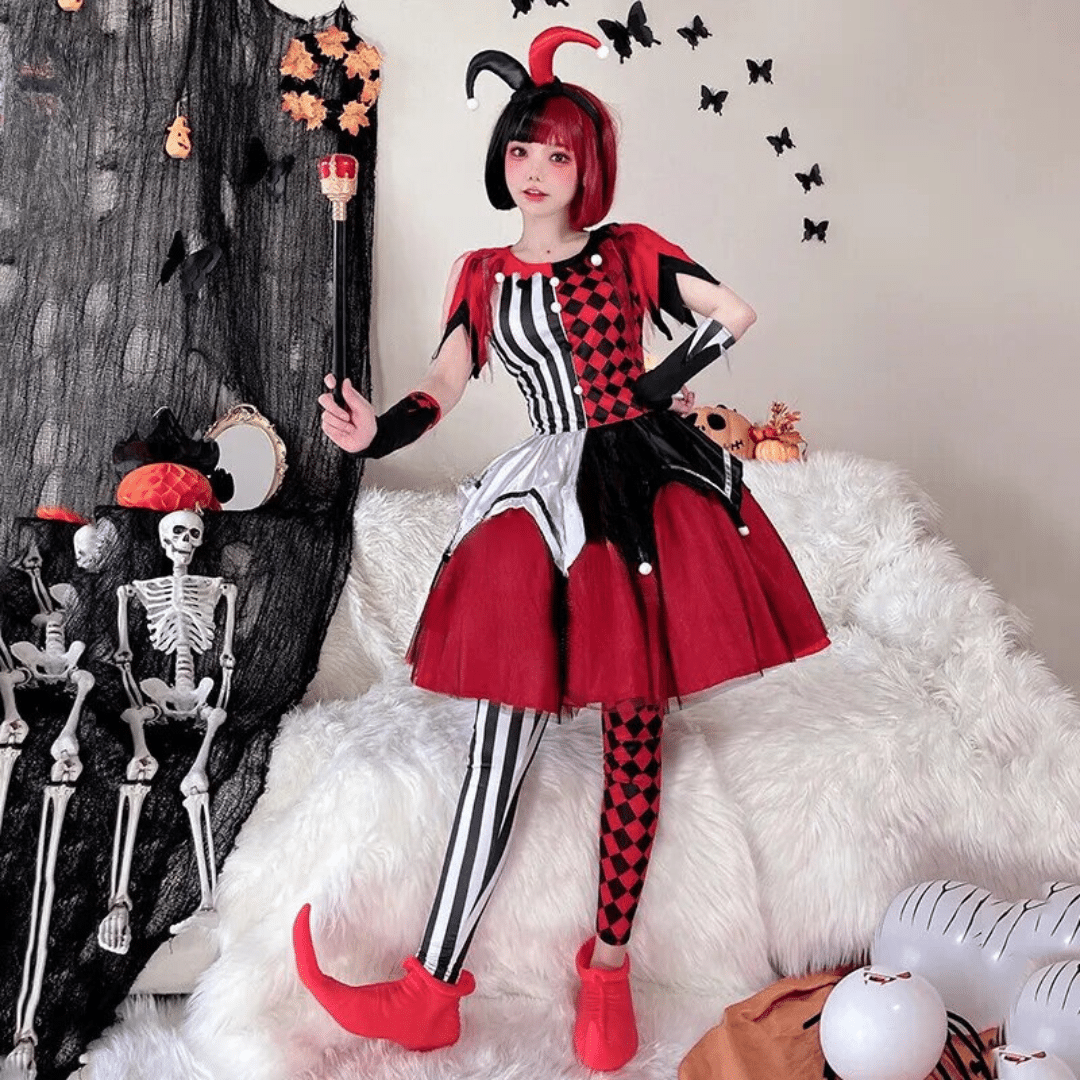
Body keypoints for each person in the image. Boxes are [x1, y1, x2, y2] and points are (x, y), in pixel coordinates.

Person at [293, 26, 830, 1072]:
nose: (535, 170)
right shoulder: (483, 274)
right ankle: (430, 986)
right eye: (521, 150)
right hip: (542, 491)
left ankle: (610, 965)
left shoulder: (630, 250)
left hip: (640, 482)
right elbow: (443, 383)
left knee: (636, 719)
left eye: (557, 154)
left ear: (589, 169)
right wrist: (375, 435)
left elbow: (734, 312)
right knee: (503, 728)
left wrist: (651, 393)